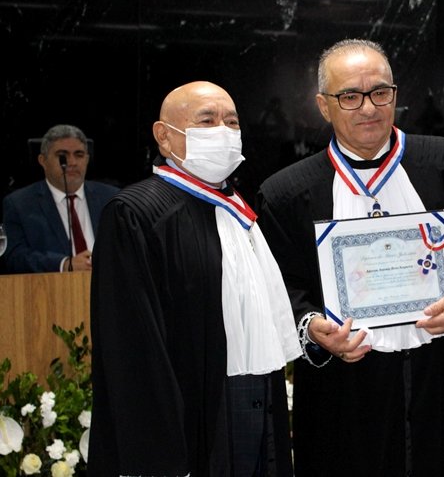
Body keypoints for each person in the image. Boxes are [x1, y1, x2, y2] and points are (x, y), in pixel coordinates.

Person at [256, 39, 444, 477]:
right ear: (324, 106)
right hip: (344, 387)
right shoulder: (285, 194)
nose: (368, 108)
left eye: (380, 92)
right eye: (350, 96)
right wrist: (310, 324)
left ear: (395, 96)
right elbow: (277, 283)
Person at [88, 81, 302, 476]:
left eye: (232, 122)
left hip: (259, 395)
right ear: (164, 136)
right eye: (207, 121)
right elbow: (133, 347)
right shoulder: (135, 213)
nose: (223, 131)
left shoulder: (236, 206)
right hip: (194, 412)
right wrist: (160, 456)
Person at [2, 124, 119, 273]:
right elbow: (14, 258)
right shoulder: (19, 204)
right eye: (62, 156)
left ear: (87, 159)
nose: (72, 162)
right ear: (43, 160)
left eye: (79, 155)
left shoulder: (112, 198)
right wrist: (64, 264)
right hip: (51, 286)